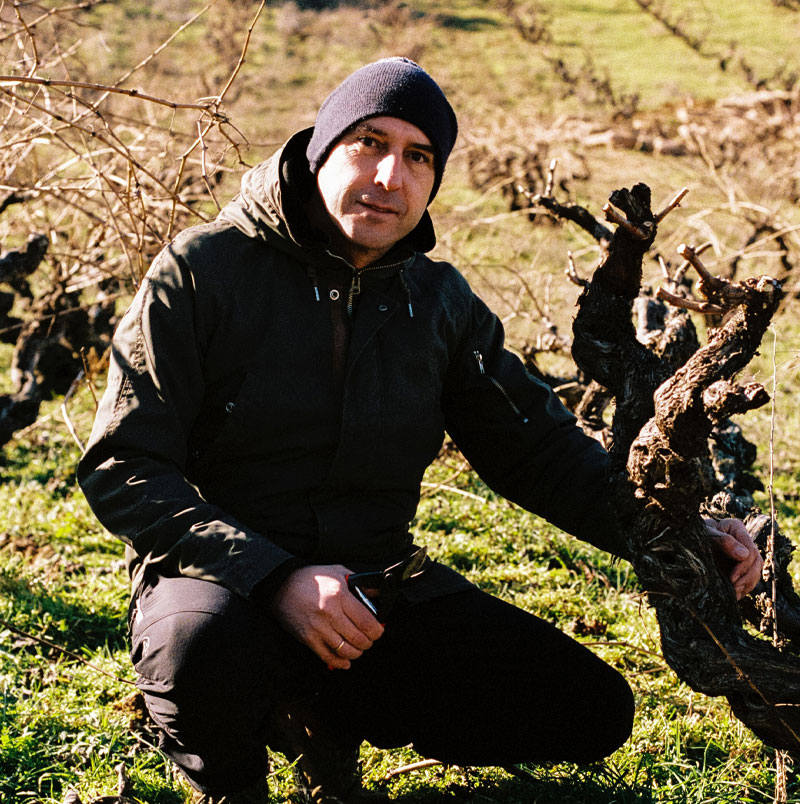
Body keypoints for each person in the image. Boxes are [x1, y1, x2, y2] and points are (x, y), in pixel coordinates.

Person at [77, 58, 763, 804]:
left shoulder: (439, 303)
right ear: (321, 151)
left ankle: (329, 716)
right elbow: (124, 465)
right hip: (222, 587)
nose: (389, 176)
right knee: (202, 648)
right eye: (368, 143)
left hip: (378, 594)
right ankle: (231, 779)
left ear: (434, 179)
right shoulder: (203, 271)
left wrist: (683, 530)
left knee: (590, 709)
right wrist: (274, 577)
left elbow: (538, 451)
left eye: (417, 156)